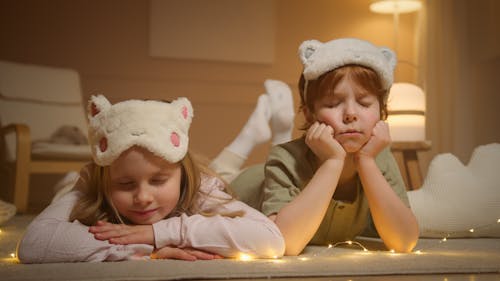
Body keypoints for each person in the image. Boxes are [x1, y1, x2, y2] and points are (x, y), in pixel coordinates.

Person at [17, 95, 285, 263]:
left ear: (181, 174)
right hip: (69, 184)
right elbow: (33, 245)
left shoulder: (196, 183)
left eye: (158, 181)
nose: (143, 198)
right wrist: (148, 248)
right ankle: (251, 137)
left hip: (196, 178)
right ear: (105, 180)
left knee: (219, 175)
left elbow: (270, 239)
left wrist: (160, 232)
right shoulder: (89, 188)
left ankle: (254, 138)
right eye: (125, 184)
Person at [226, 38, 419, 255]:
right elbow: (286, 243)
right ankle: (252, 134)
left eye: (364, 103)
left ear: (382, 111)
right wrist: (332, 161)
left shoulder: (377, 157)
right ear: (310, 113)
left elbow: (404, 242)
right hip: (235, 186)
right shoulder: (284, 158)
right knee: (215, 176)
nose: (351, 114)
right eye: (333, 104)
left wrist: (366, 161)